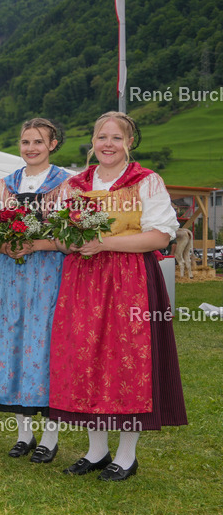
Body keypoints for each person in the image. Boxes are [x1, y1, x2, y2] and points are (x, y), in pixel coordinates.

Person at [50, 112, 186, 481]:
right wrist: (70, 242)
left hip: (130, 280)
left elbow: (160, 236)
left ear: (130, 143)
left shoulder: (146, 181)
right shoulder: (74, 185)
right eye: (101, 137)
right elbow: (60, 237)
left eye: (116, 137)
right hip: (82, 281)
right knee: (86, 358)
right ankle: (97, 450)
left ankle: (127, 455)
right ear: (92, 141)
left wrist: (104, 243)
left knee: (127, 361)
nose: (107, 144)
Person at [0, 119, 72, 462]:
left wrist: (36, 243)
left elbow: (72, 237)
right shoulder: (5, 185)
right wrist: (6, 245)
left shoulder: (67, 183)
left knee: (45, 346)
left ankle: (50, 437)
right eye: (26, 142)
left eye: (39, 141)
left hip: (50, 273)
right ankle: (24, 433)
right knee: (12, 342)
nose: (31, 148)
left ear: (53, 144)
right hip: (11, 274)